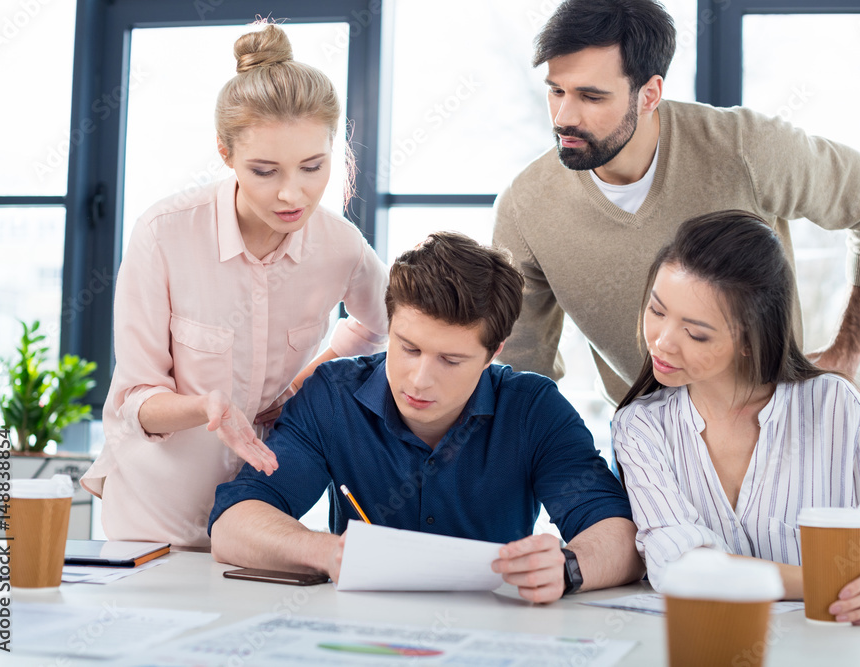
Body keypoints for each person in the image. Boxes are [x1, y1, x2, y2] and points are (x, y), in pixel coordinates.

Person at [493, 0, 860, 406]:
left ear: (649, 94)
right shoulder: (524, 207)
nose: (564, 116)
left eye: (591, 96)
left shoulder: (747, 148)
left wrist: (848, 350)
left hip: (781, 428)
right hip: (647, 452)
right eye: (556, 91)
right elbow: (522, 376)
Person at [81, 23, 389, 547]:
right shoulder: (165, 234)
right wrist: (205, 408)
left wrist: (300, 388)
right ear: (225, 153)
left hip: (262, 521)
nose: (293, 194)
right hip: (155, 522)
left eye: (313, 167)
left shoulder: (341, 246)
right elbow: (134, 398)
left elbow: (381, 327)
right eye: (264, 171)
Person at [209, 232, 645, 602]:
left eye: (451, 360)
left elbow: (622, 537)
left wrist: (567, 568)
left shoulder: (533, 408)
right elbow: (232, 525)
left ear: (494, 353)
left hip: (494, 636)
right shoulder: (332, 396)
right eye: (409, 348)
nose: (419, 381)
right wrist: (324, 552)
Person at [612, 210, 860, 626]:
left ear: (750, 340)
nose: (662, 341)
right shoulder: (640, 428)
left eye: (696, 333)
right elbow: (681, 569)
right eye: (657, 311)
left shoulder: (833, 406)